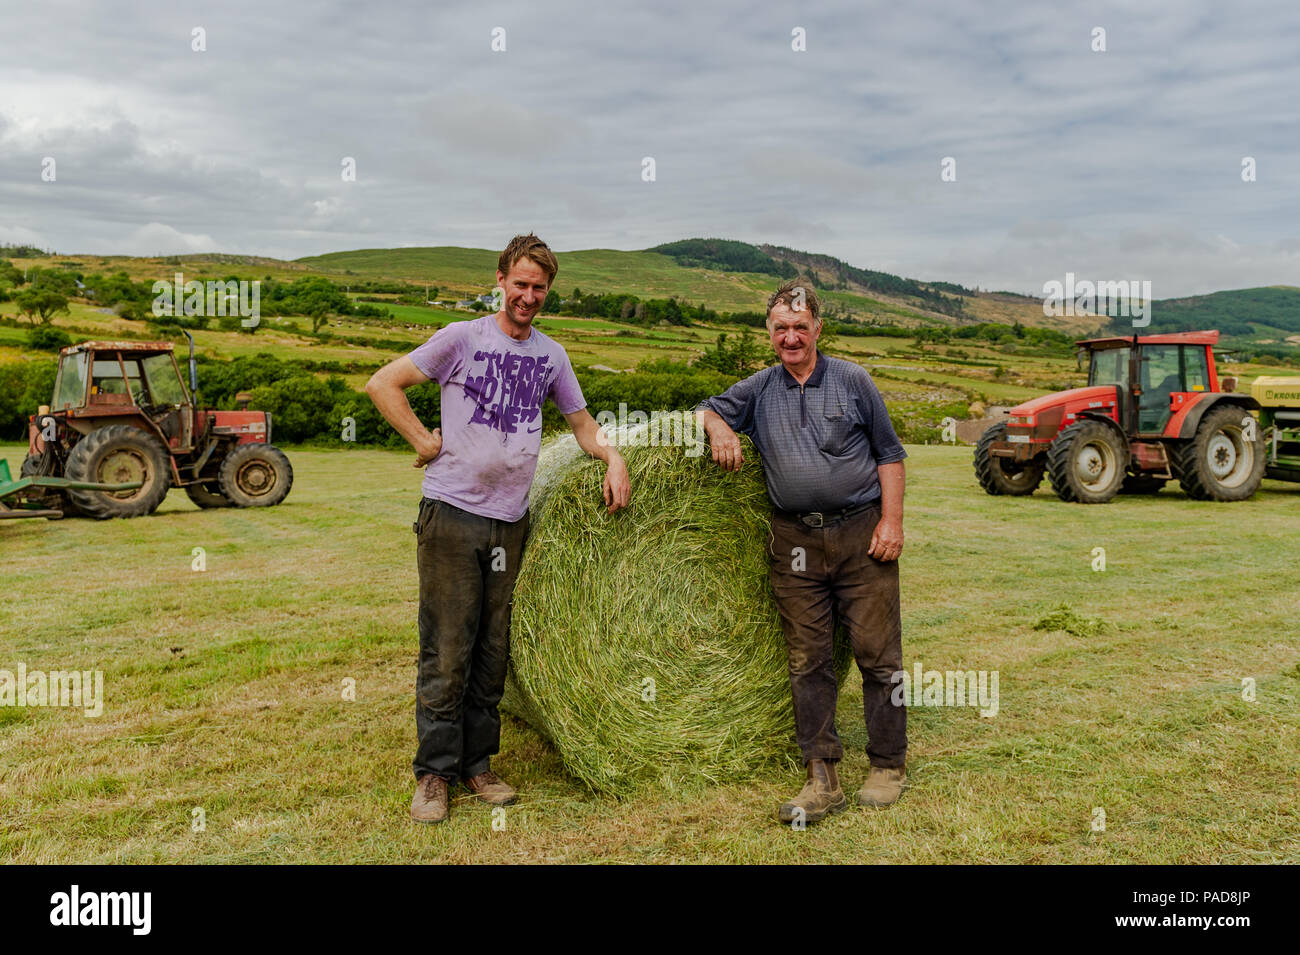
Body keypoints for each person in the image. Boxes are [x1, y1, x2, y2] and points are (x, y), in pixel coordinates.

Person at [366, 233, 630, 824]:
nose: (528, 296)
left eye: (539, 288)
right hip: (452, 517)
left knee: (492, 650)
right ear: (500, 281)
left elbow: (583, 425)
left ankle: (478, 764)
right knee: (447, 647)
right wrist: (422, 439)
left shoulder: (551, 356)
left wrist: (613, 458)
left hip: (511, 523)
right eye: (520, 284)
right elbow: (383, 383)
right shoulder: (462, 338)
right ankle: (434, 774)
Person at [696, 278, 908, 824]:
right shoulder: (759, 388)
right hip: (793, 542)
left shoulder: (853, 380)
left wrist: (892, 521)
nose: (791, 337)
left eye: (800, 327)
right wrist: (720, 427)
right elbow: (705, 409)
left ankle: (888, 763)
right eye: (780, 328)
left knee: (877, 654)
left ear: (817, 328)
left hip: (861, 534)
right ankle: (823, 775)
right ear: (770, 333)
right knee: (808, 660)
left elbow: (889, 454)